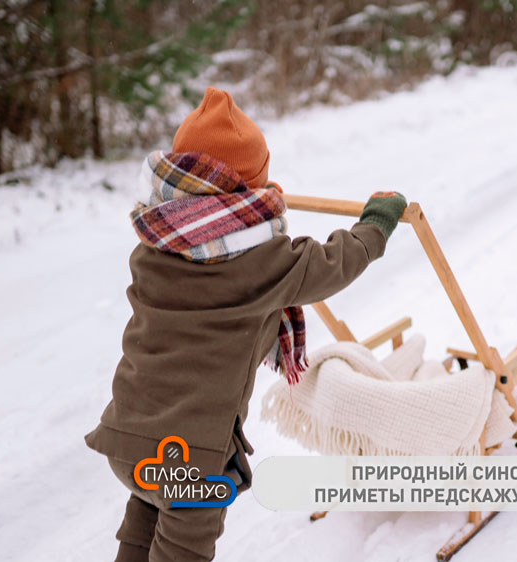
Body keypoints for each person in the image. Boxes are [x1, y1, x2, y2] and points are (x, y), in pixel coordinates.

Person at [84, 86, 407, 561]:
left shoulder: (154, 243)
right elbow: (334, 264)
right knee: (182, 549)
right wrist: (376, 223)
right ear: (247, 187)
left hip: (128, 441)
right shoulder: (263, 260)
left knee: (145, 518)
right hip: (187, 458)